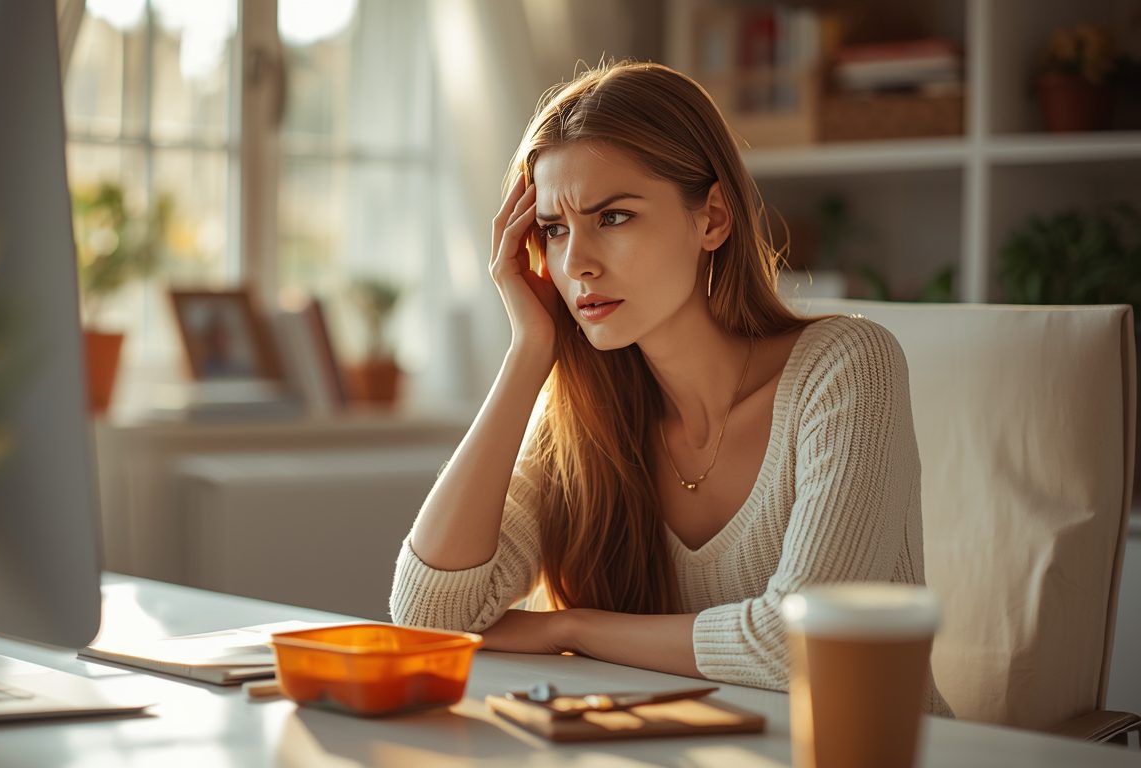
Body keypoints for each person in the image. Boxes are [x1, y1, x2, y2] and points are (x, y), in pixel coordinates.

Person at [389, 60, 952, 716]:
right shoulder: (582, 416)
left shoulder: (847, 368)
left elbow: (798, 643)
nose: (577, 264)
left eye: (615, 217)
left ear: (711, 218)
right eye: (554, 228)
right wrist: (528, 352)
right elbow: (427, 618)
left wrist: (573, 627)